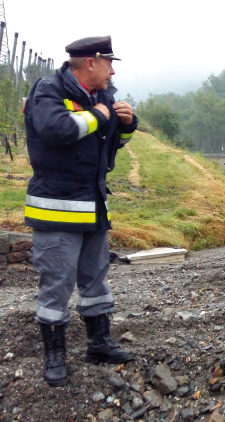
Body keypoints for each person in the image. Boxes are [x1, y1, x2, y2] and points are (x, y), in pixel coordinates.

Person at [23, 36, 138, 387]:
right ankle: (54, 356)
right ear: (91, 62)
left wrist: (128, 124)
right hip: (58, 208)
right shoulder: (49, 91)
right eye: (109, 63)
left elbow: (111, 140)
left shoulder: (104, 95)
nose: (113, 71)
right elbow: (58, 130)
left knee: (96, 278)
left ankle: (98, 344)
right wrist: (99, 115)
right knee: (57, 283)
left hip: (93, 205)